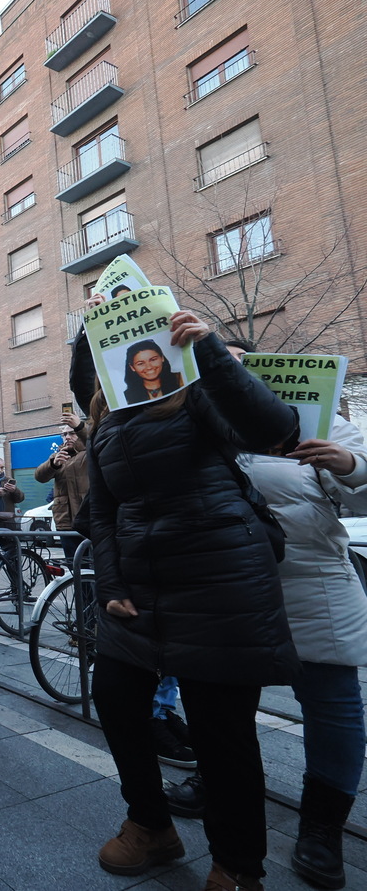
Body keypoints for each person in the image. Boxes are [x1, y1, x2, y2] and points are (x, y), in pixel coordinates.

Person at [86, 312, 299, 891]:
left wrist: (212, 353)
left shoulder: (198, 388)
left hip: (218, 577)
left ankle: (236, 865)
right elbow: (101, 512)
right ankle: (151, 825)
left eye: (151, 353)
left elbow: (274, 430)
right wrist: (111, 584)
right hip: (139, 585)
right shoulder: (104, 416)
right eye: (132, 357)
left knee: (221, 729)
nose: (145, 362)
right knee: (115, 696)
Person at [163, 339, 367, 890]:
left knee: (331, 708)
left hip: (311, 587)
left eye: (233, 359)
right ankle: (216, 780)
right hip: (224, 590)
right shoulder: (195, 419)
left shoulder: (316, 419)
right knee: (221, 705)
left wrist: (348, 465)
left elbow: (364, 492)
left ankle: (322, 827)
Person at [33, 413, 89, 561]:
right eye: (64, 434)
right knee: (74, 568)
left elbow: (94, 441)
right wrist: (53, 465)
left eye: (71, 433)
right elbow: (39, 476)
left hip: (89, 520)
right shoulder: (59, 455)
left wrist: (80, 427)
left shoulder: (89, 452)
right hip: (66, 523)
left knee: (95, 568)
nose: (67, 437)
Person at [123, 339, 184, 405]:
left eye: (153, 360)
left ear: (162, 358)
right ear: (132, 367)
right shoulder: (126, 397)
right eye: (140, 363)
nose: (149, 367)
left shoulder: (182, 379)